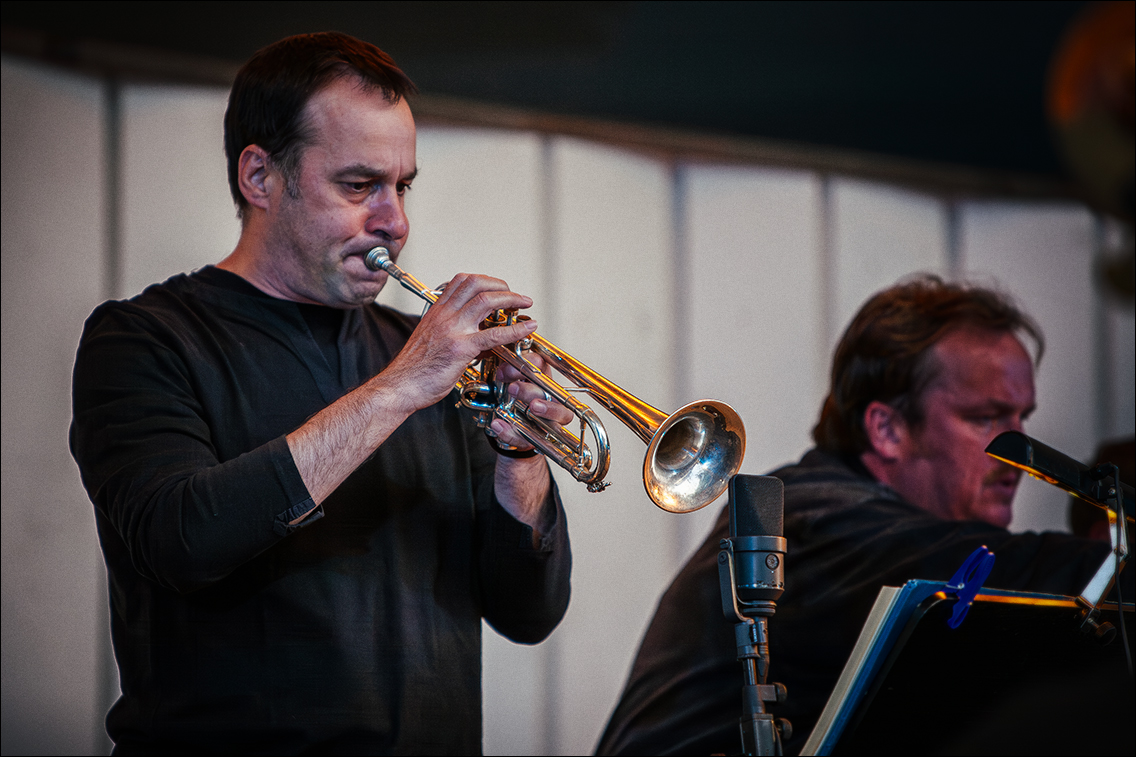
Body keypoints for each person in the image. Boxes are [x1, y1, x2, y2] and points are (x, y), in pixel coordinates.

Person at [70, 33, 572, 754]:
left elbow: (530, 613)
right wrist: (402, 384)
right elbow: (180, 538)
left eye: (403, 187)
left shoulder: (431, 358)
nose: (394, 221)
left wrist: (520, 454)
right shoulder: (145, 339)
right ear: (261, 177)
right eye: (359, 185)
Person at [597, 276, 1132, 756]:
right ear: (887, 429)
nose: (1021, 453)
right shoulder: (813, 520)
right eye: (986, 417)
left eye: (1022, 418)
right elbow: (1018, 567)